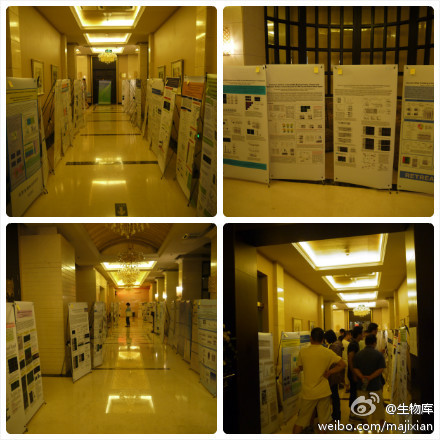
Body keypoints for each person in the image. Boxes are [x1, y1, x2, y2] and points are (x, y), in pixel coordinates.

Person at [292, 327, 346, 433]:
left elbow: (301, 367)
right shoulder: (328, 352)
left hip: (309, 392)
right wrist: (330, 372)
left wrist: (299, 369)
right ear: (323, 339)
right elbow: (343, 364)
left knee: (301, 421)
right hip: (323, 391)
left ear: (311, 338)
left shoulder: (303, 351)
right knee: (323, 422)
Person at [352, 334, 386, 427]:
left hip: (362, 384)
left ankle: (365, 421)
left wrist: (362, 377)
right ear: (374, 343)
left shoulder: (358, 354)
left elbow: (355, 368)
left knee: (363, 402)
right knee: (378, 403)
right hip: (375, 384)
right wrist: (371, 377)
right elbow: (381, 369)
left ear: (366, 342)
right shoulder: (378, 354)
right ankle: (381, 422)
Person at [324, 330, 344, 421]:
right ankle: (336, 414)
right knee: (335, 395)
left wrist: (329, 371)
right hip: (336, 373)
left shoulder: (334, 347)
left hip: (333, 373)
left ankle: (336, 415)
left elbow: (332, 361)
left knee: (334, 395)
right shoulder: (337, 344)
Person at [347, 325, 364, 418]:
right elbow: (350, 359)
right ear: (358, 334)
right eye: (362, 333)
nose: (363, 335)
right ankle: (353, 413)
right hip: (353, 372)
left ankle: (354, 411)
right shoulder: (353, 344)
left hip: (354, 372)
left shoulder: (355, 343)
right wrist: (354, 374)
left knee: (355, 392)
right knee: (354, 392)